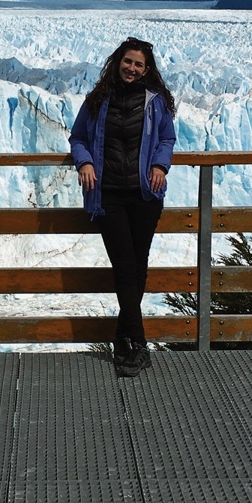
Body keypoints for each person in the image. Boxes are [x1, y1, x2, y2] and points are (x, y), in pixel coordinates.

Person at [69, 37, 177, 377]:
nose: (132, 68)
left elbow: (166, 139)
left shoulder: (155, 102)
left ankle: (121, 338)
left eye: (139, 64)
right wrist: (84, 162)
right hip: (109, 197)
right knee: (125, 266)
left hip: (145, 196)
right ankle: (140, 345)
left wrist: (160, 165)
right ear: (118, 62)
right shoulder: (98, 100)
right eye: (128, 62)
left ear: (147, 70)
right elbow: (78, 138)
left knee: (137, 267)